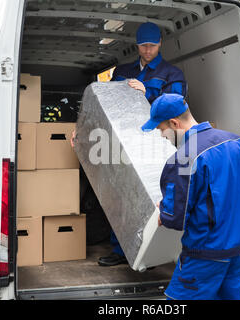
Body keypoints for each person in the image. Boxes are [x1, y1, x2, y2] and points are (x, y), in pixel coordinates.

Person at [72, 22, 187, 267]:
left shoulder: (172, 74)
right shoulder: (123, 70)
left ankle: (154, 251)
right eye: (143, 46)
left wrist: (147, 93)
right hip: (122, 143)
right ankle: (120, 249)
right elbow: (106, 105)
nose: (148, 51)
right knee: (120, 194)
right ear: (137, 46)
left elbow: (177, 108)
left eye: (152, 46)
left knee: (155, 196)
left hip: (154, 145)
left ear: (160, 44)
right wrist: (83, 131)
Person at [141, 93, 240, 300]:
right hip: (236, 252)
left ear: (174, 123)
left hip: (205, 255)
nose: (162, 137)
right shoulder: (234, 141)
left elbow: (174, 218)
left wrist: (163, 212)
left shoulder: (184, 158)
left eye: (162, 130)